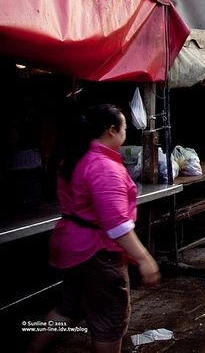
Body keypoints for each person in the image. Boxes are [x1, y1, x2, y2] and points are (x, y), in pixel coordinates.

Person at [27, 104, 160, 353]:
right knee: (109, 321)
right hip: (96, 254)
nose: (125, 133)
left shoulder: (76, 158)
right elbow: (117, 225)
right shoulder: (104, 167)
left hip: (72, 249)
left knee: (68, 307)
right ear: (111, 130)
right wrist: (144, 258)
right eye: (123, 128)